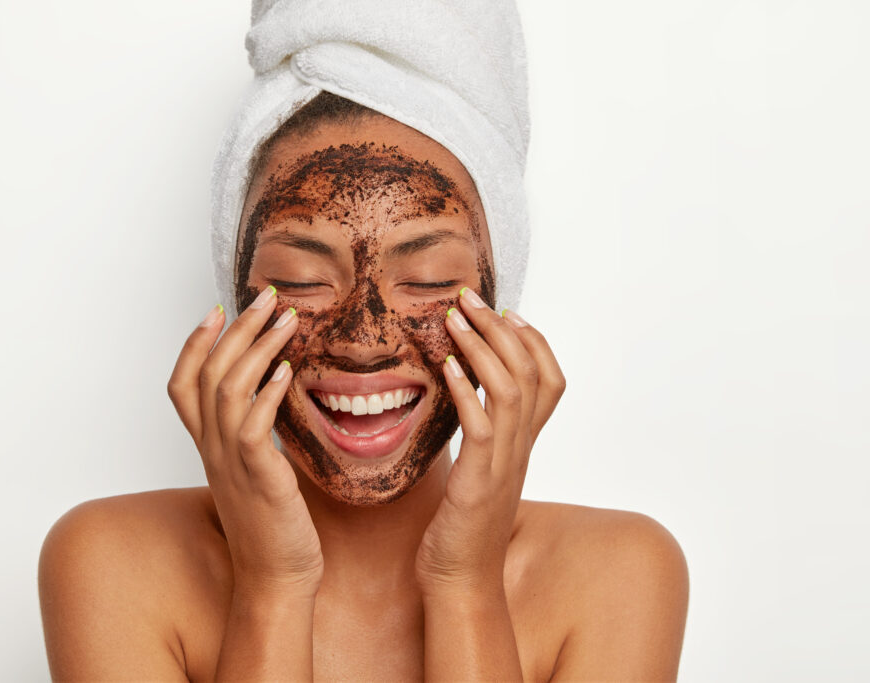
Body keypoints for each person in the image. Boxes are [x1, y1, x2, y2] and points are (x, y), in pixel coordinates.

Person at [39, 2, 688, 679]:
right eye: (303, 277)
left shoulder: (617, 575)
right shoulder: (111, 563)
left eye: (428, 275)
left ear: (501, 299)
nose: (363, 336)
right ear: (237, 299)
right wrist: (273, 588)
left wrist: (465, 583)